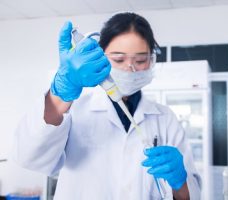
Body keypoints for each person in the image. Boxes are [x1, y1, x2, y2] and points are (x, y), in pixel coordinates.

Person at [13, 12, 201, 200]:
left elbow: (190, 195)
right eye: (119, 59)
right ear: (100, 57)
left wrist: (180, 181)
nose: (130, 68)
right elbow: (29, 157)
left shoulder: (165, 117)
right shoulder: (76, 109)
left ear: (151, 60)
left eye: (140, 60)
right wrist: (60, 93)